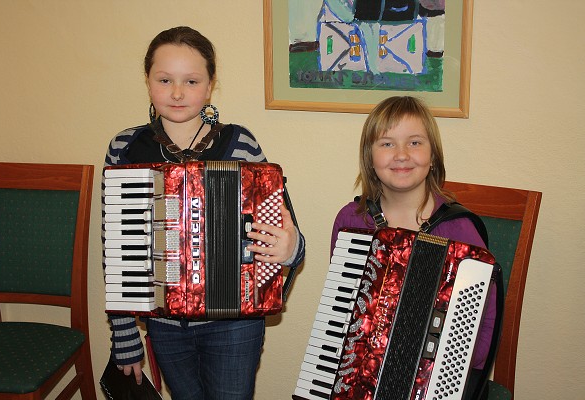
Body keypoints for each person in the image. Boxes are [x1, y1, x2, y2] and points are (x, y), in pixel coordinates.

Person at [104, 26, 305, 400]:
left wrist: (290, 248)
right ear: (148, 81)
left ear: (210, 85)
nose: (177, 93)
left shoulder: (239, 143)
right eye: (164, 79)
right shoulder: (126, 148)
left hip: (235, 325)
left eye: (191, 81)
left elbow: (288, 233)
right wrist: (124, 334)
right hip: (163, 324)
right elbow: (116, 250)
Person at [330, 96, 496, 399]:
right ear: (369, 158)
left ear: (433, 156)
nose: (402, 155)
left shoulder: (460, 231)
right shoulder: (352, 221)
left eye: (415, 143)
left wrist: (443, 377)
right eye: (387, 144)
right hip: (364, 379)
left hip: (439, 386)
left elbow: (483, 330)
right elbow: (343, 311)